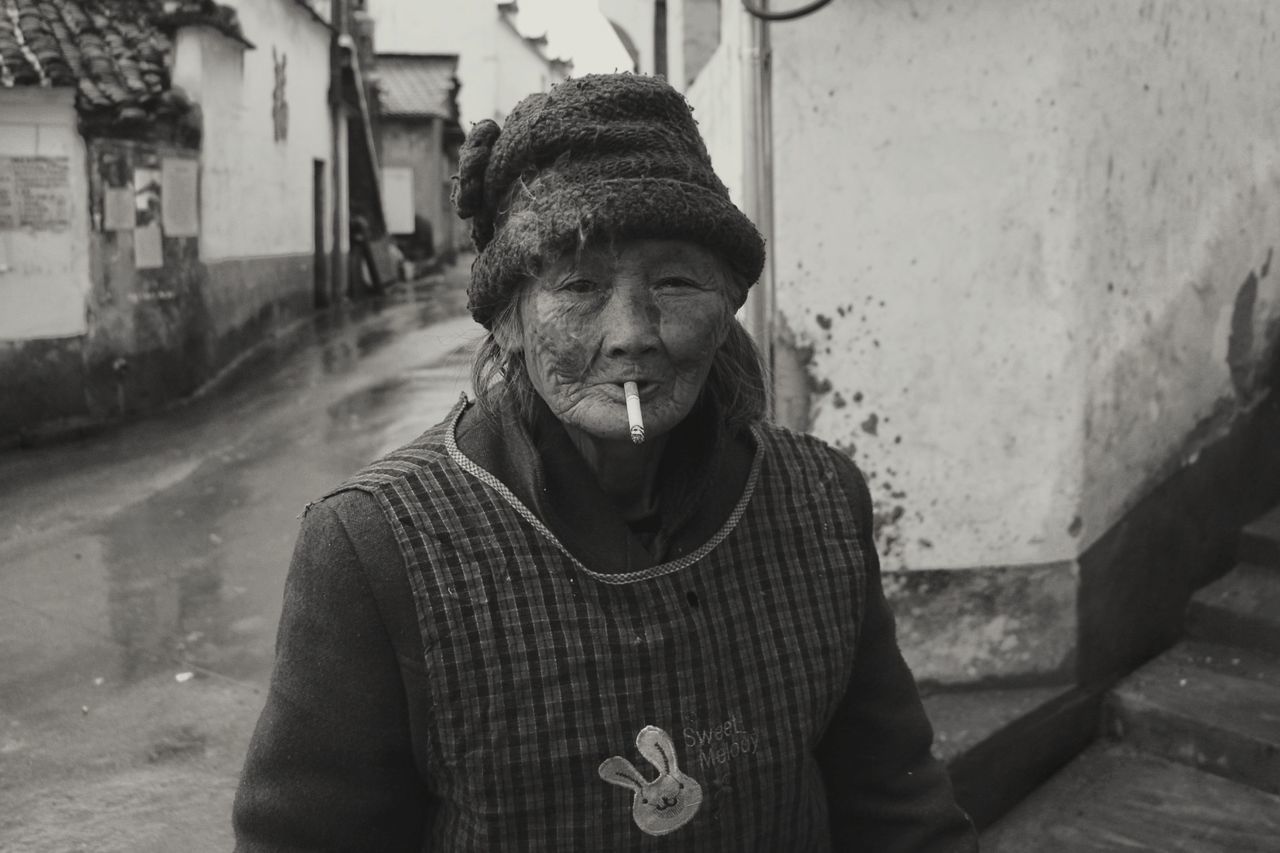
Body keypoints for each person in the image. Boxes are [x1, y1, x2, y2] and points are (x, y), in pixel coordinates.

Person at [233, 73, 977, 851]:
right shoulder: (373, 548)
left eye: (675, 281)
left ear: (728, 304)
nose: (630, 333)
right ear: (512, 321)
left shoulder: (820, 501)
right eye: (579, 285)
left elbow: (897, 804)